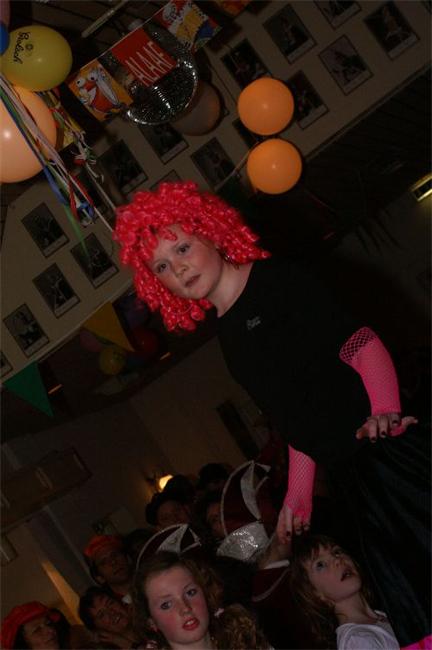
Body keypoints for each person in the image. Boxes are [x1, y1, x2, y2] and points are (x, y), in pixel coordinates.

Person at [113, 180, 430, 648]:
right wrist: (297, 495)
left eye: (182, 248)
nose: (177, 267)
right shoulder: (229, 336)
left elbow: (360, 344)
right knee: (408, 599)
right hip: (353, 477)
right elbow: (293, 420)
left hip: (389, 454)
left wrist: (385, 410)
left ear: (213, 233)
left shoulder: (277, 280)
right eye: (162, 266)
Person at [132, 550, 270, 649]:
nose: (185, 608)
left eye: (190, 592)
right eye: (166, 604)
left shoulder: (247, 641)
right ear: (152, 622)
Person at [290, 534, 399, 649]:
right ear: (314, 593)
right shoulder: (357, 640)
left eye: (336, 552)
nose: (337, 560)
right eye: (320, 565)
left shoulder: (385, 615)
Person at [83, 535, 133, 604]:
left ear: (127, 558)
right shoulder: (111, 607)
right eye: (104, 562)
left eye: (115, 555)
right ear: (99, 578)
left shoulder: (147, 582)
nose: (113, 562)